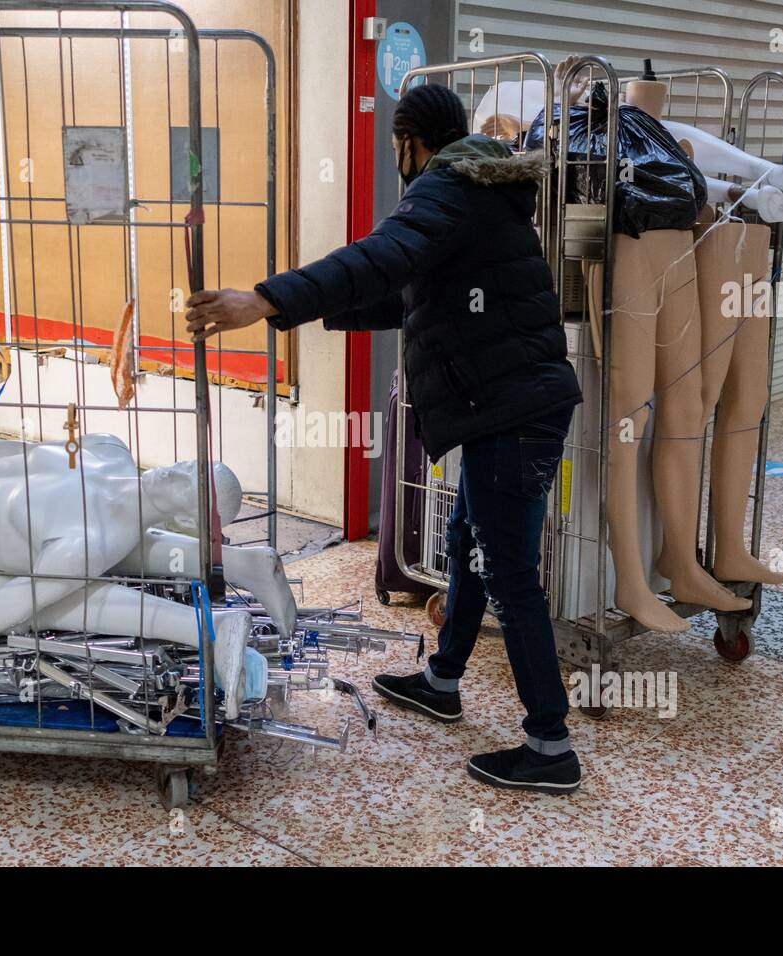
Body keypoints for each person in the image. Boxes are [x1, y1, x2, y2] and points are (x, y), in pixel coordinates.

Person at [185, 84, 584, 793]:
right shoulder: (474, 188)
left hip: (512, 413)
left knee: (509, 573)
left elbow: (382, 255)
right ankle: (442, 679)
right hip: (512, 407)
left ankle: (549, 744)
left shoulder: (447, 186)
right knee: (468, 540)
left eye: (397, 146)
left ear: (408, 141)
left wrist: (265, 298)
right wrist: (297, 310)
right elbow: (402, 289)